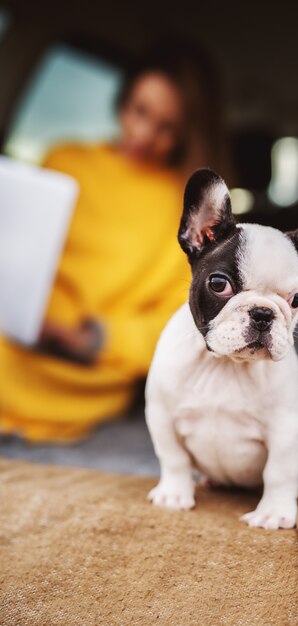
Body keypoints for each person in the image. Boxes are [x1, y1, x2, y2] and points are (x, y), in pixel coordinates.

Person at [0, 37, 228, 442]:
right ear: (123, 100)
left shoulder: (185, 207)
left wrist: (92, 339)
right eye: (139, 111)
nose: (143, 134)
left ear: (186, 133)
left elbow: (178, 319)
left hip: (90, 365)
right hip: (15, 334)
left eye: (166, 128)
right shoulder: (65, 159)